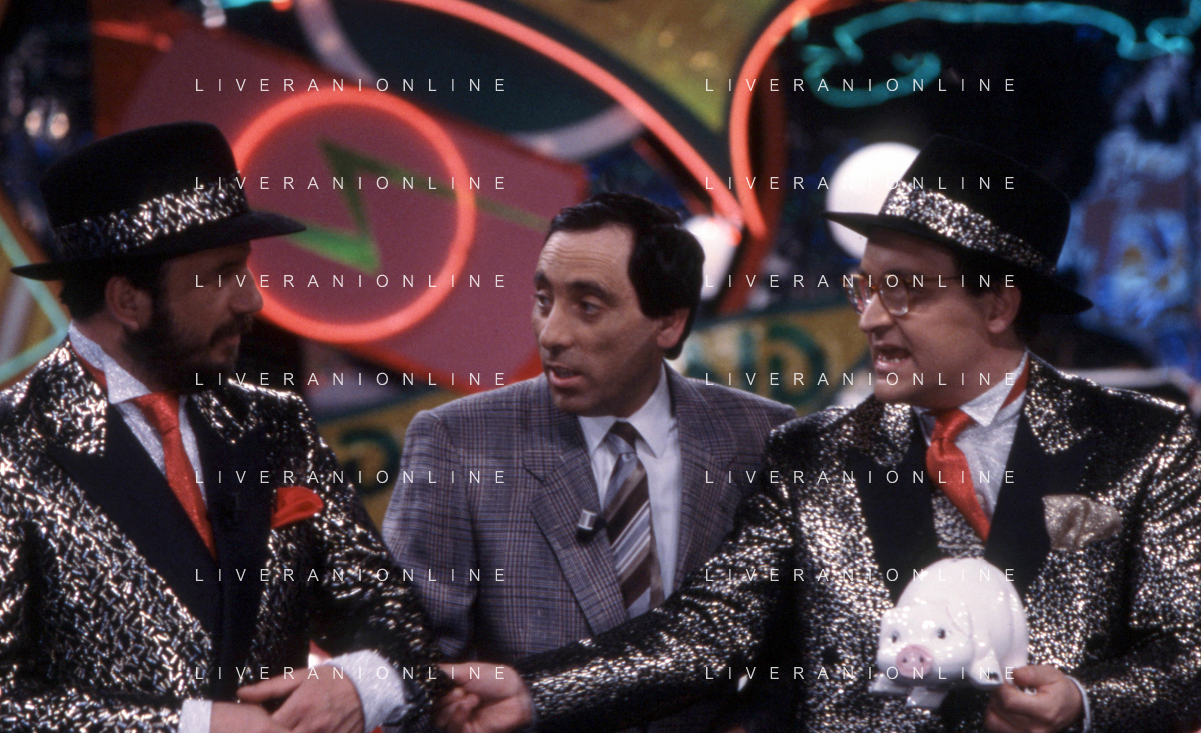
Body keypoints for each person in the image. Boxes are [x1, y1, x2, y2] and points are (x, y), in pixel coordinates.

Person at [432, 137, 1201, 733]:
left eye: (902, 290)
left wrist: (1084, 703)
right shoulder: (809, 455)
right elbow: (711, 629)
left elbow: (1186, 653)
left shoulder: (1146, 443)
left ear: (998, 306)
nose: (869, 317)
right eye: (864, 286)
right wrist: (536, 689)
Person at [0, 122, 451, 733]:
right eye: (221, 275)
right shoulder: (13, 444)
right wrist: (192, 726)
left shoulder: (276, 421)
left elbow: (398, 619)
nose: (251, 301)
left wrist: (360, 682)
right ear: (129, 301)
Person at [382, 192, 796, 732]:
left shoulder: (763, 436)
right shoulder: (459, 444)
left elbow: (795, 652)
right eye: (543, 300)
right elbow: (407, 663)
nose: (552, 334)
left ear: (669, 324)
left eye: (588, 307)